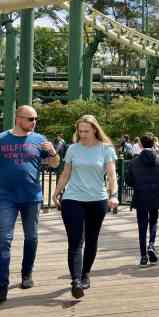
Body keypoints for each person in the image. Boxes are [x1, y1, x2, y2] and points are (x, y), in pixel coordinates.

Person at [0, 105, 60, 305]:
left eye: (36, 119)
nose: (34, 122)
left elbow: (56, 164)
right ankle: (2, 286)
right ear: (18, 118)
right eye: (30, 119)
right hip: (6, 197)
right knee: (3, 240)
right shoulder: (1, 140)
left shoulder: (40, 140)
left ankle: (26, 273)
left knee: (31, 237)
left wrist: (53, 152)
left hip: (32, 197)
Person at [52, 115, 118, 299]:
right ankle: (75, 281)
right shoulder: (73, 149)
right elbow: (66, 173)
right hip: (73, 199)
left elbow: (112, 175)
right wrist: (56, 192)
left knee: (91, 239)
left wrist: (113, 195)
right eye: (80, 131)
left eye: (86, 131)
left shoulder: (106, 149)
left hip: (97, 200)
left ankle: (85, 273)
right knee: (75, 241)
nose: (82, 134)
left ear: (95, 130)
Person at [127, 133, 159, 267]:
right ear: (153, 144)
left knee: (142, 225)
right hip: (155, 196)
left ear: (140, 144)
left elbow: (128, 180)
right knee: (153, 221)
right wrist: (158, 183)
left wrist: (137, 184)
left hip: (140, 196)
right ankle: (151, 245)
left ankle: (143, 256)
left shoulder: (134, 161)